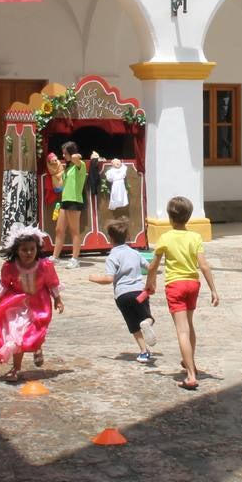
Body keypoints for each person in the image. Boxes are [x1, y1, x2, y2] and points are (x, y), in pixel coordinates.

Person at [143, 196, 220, 391]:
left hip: (175, 286)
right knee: (189, 325)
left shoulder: (165, 238)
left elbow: (153, 266)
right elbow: (204, 265)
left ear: (169, 217)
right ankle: (189, 363)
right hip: (193, 284)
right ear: (189, 217)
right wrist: (213, 289)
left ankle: (191, 376)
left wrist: (149, 283)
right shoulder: (194, 237)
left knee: (182, 330)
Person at [0, 224, 63, 383]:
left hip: (39, 306)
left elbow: (52, 283)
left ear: (37, 248)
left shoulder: (44, 266)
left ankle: (37, 347)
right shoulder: (9, 268)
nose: (28, 253)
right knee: (15, 336)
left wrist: (57, 300)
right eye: (24, 250)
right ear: (16, 251)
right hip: (16, 305)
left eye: (32, 249)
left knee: (36, 333)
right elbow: (4, 285)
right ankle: (16, 368)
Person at [88, 218, 156, 364]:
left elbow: (108, 279)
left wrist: (94, 278)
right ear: (127, 236)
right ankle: (148, 323)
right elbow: (150, 267)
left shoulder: (112, 257)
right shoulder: (135, 253)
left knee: (133, 324)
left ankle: (144, 352)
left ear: (110, 238)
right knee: (146, 317)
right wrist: (151, 281)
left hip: (122, 296)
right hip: (139, 292)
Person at [56, 141, 87, 269]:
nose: (63, 156)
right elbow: (61, 185)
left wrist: (76, 155)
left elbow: (75, 158)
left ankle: (75, 259)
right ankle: (55, 257)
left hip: (74, 201)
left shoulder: (80, 165)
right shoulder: (67, 168)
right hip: (65, 200)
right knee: (59, 230)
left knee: (74, 231)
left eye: (65, 153)